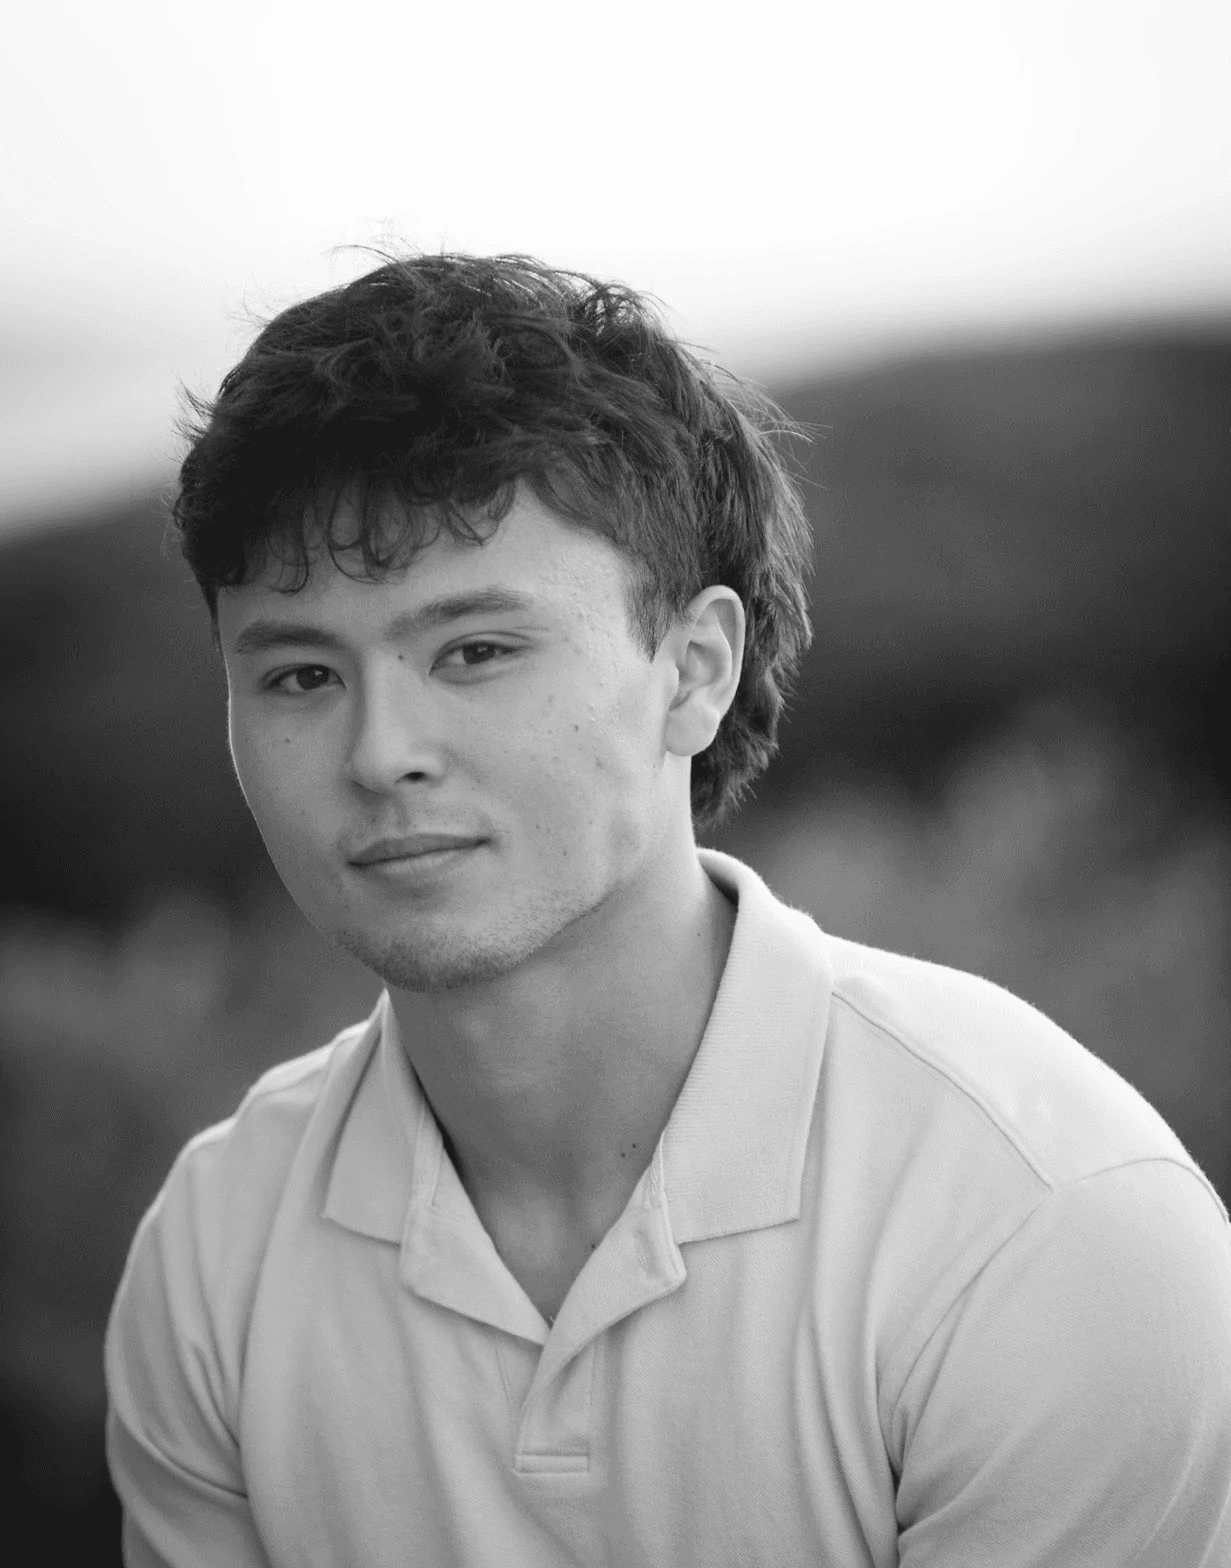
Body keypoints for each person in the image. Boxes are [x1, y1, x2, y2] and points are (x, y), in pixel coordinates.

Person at [105, 252, 1231, 1568]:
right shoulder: (215, 1242)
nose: (378, 752)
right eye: (298, 674)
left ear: (692, 671)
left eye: (475, 649)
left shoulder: (1040, 1222)